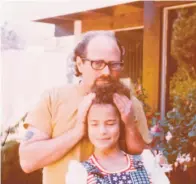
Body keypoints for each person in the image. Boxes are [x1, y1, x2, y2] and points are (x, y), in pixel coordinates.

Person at [19, 31, 152, 184]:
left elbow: (145, 160)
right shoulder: (54, 98)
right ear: (80, 63)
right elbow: (28, 161)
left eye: (114, 64)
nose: (106, 72)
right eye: (98, 64)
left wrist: (129, 126)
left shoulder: (130, 104)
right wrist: (77, 132)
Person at [66, 80, 170, 184]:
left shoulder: (145, 162)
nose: (102, 131)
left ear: (121, 125)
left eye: (110, 123)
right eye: (94, 124)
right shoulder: (81, 173)